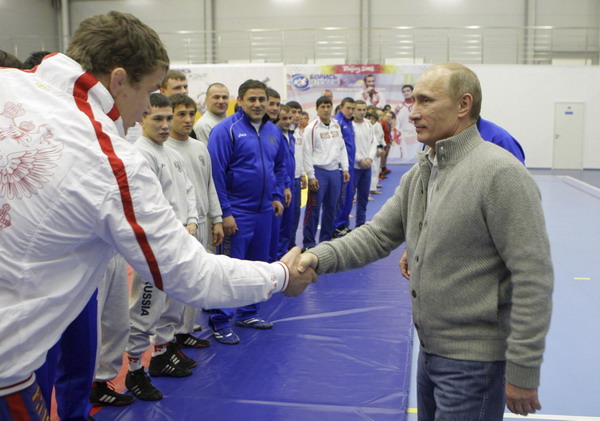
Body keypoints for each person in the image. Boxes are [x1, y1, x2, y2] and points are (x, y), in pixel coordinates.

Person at [0, 11, 314, 419]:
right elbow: (191, 275)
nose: (150, 105)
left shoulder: (9, 83)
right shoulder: (109, 161)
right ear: (117, 81)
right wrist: (280, 276)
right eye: (148, 91)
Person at [298, 63, 553, 420]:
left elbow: (533, 277)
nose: (413, 112)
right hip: (430, 353)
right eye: (413, 101)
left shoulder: (501, 174)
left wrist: (523, 370)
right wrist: (316, 258)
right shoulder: (424, 170)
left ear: (464, 105)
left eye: (426, 101)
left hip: (473, 363)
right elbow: (377, 235)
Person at [126, 93, 200, 401]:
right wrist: (177, 229)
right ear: (142, 118)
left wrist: (192, 220)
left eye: (169, 118)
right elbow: (148, 207)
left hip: (177, 241)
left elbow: (186, 190)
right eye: (158, 118)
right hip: (154, 247)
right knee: (144, 309)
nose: (166, 125)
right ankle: (133, 372)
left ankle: (160, 354)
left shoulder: (170, 152)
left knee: (170, 304)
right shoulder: (139, 155)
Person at [207, 80, 288, 345]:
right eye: (251, 99)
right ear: (239, 101)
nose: (257, 104)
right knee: (230, 268)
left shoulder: (274, 131)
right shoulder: (225, 131)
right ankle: (220, 319)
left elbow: (278, 167)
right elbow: (215, 174)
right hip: (237, 211)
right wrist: (225, 213)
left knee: (258, 265)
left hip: (264, 211)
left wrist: (276, 195)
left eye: (261, 100)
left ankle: (248, 312)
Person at [167, 93, 225, 346]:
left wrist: (217, 218)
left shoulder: (200, 147)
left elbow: (209, 185)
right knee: (177, 283)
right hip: (179, 226)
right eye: (181, 114)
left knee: (197, 277)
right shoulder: (164, 150)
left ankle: (185, 330)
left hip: (203, 221)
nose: (188, 119)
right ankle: (170, 336)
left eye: (192, 113)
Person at [302, 95, 350, 249]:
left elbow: (341, 147)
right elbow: (306, 153)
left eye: (328, 106)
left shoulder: (336, 125)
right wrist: (311, 175)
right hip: (319, 173)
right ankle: (309, 243)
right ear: (317, 109)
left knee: (331, 209)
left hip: (334, 172)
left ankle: (326, 241)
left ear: (331, 108)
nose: (325, 109)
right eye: (322, 107)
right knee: (314, 209)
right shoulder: (311, 128)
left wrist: (345, 168)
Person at [274, 104, 296, 258]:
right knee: (278, 225)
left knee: (289, 222)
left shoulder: (291, 136)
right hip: (279, 186)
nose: (288, 122)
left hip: (291, 183)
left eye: (289, 118)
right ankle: (277, 256)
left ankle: (284, 253)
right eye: (284, 119)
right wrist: (282, 186)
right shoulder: (275, 137)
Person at [332, 97, 356, 238]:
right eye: (348, 108)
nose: (350, 111)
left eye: (352, 108)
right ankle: (336, 225)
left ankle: (343, 224)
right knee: (340, 199)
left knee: (348, 197)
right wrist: (342, 166)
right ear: (341, 107)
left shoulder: (348, 122)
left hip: (350, 165)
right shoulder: (338, 122)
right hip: (341, 167)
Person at [351, 100, 376, 227]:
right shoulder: (350, 125)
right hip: (355, 167)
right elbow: (350, 146)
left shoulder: (369, 124)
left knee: (363, 197)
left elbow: (374, 143)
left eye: (364, 110)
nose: (362, 112)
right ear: (353, 110)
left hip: (367, 167)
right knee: (348, 198)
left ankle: (360, 224)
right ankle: (342, 225)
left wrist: (370, 158)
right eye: (359, 109)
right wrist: (359, 159)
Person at [160, 69, 198, 140]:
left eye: (185, 87)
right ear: (162, 91)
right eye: (177, 88)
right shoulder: (153, 118)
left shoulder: (189, 130)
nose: (183, 91)